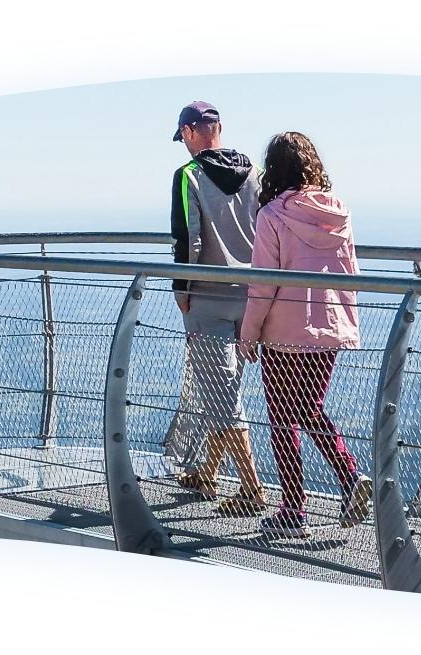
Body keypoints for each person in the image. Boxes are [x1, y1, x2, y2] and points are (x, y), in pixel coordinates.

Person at [238, 131, 375, 540]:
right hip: (329, 327)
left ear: (274, 170)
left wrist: (249, 332)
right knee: (309, 409)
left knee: (284, 418)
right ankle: (349, 477)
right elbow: (350, 274)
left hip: (283, 330)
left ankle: (293, 510)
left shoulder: (272, 217)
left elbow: (263, 284)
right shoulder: (339, 213)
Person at [165, 101, 265, 515]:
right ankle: (208, 471)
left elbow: (187, 238)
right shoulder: (255, 175)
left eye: (182, 136)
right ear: (218, 128)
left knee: (223, 397)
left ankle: (252, 489)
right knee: (224, 390)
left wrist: (182, 288)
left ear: (190, 131)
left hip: (207, 296)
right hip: (252, 296)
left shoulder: (188, 175)